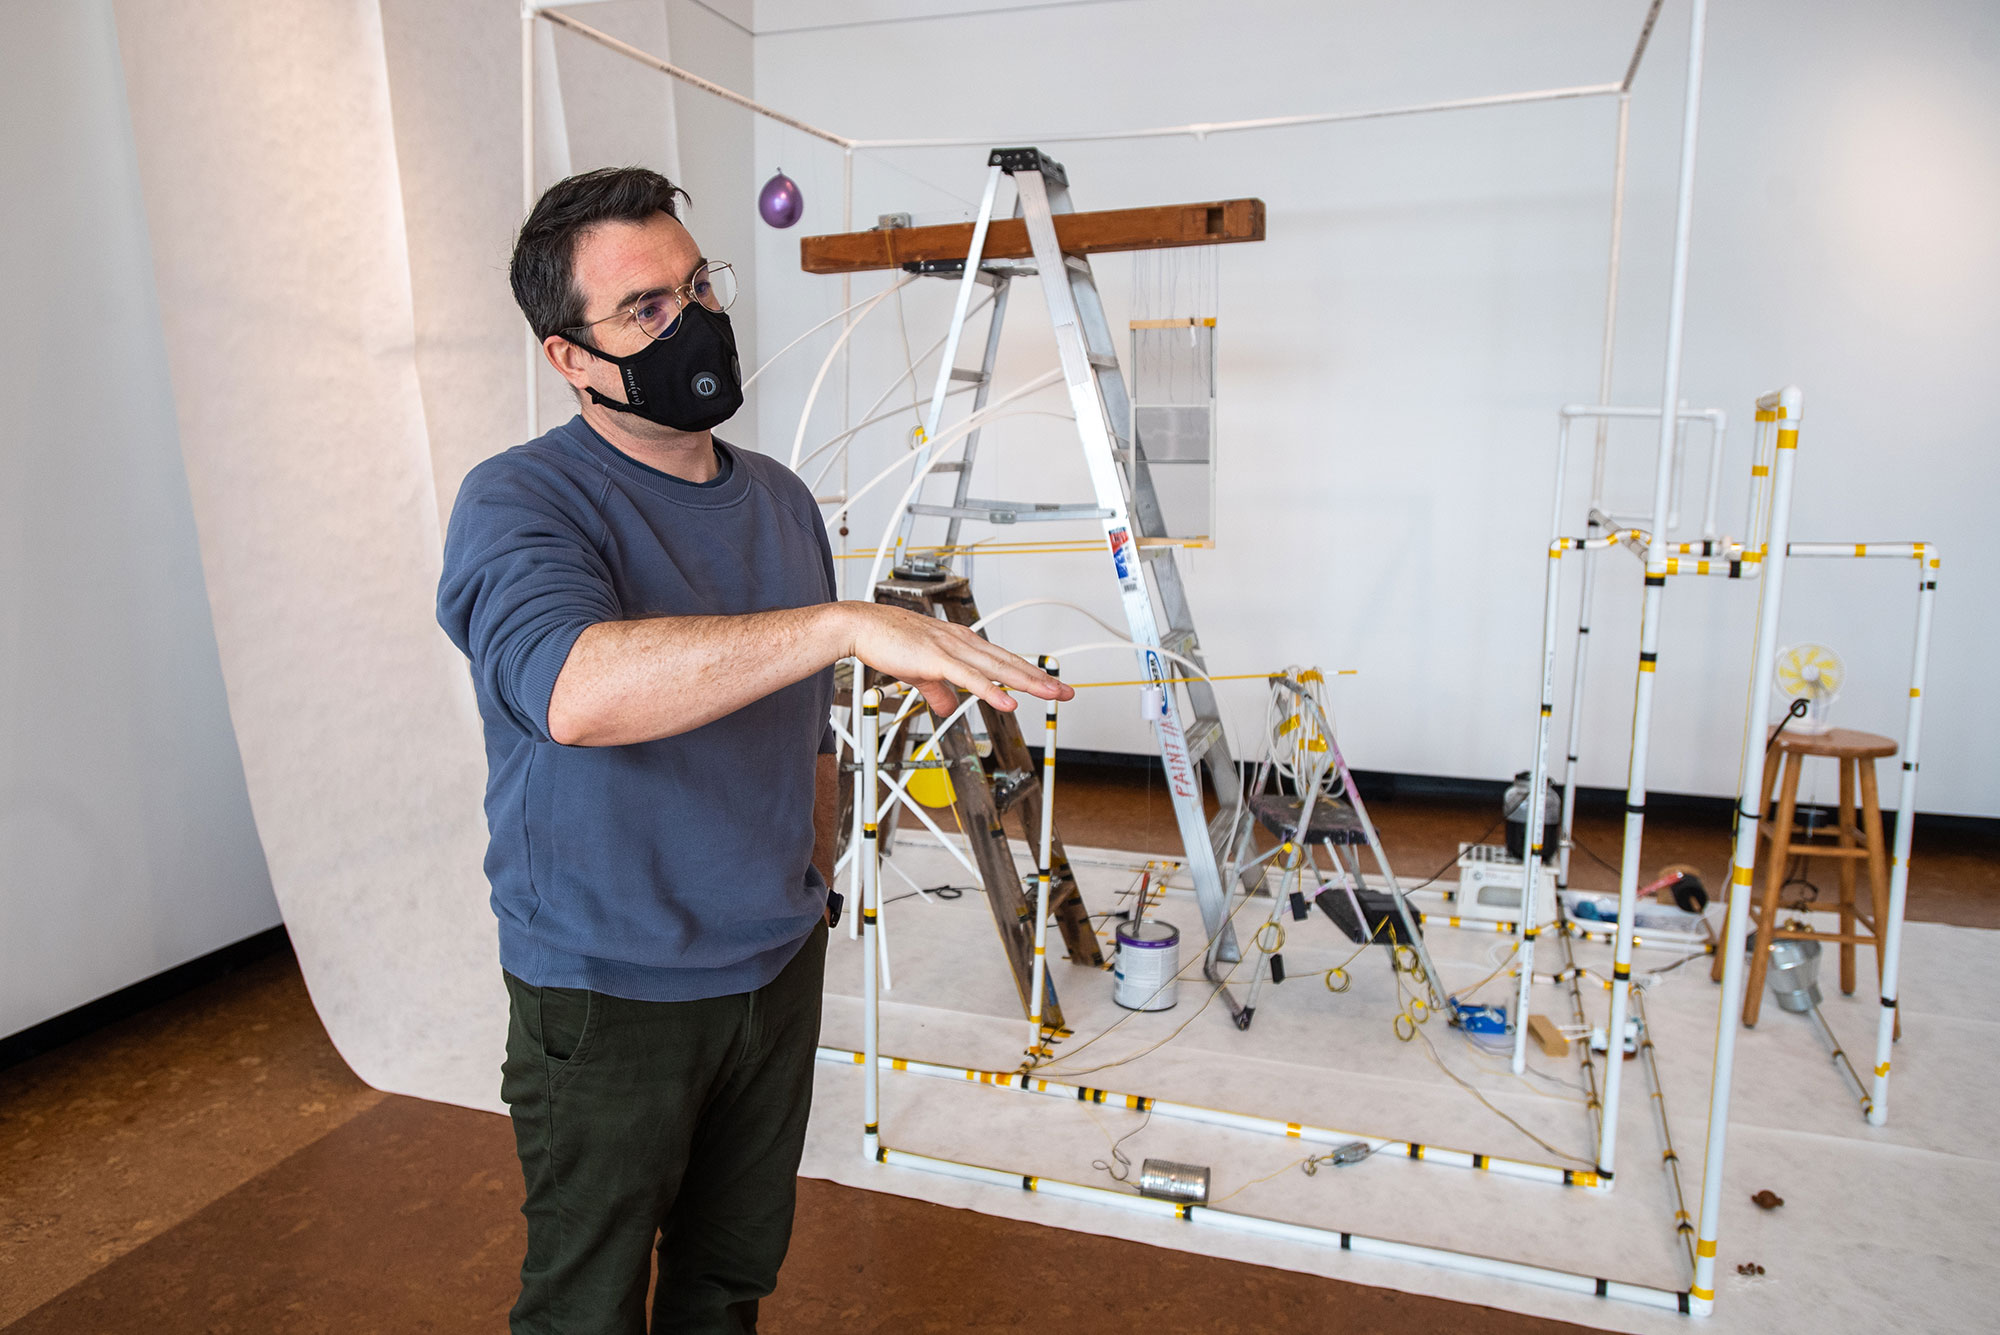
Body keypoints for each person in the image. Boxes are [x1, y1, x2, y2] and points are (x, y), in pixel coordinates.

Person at [437, 167, 1068, 1335]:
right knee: (585, 1307)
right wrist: (841, 624)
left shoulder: (777, 501)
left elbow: (805, 721)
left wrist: (809, 876)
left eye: (698, 287)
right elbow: (571, 691)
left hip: (774, 967)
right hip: (608, 990)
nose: (693, 325)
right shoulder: (520, 502)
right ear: (568, 359)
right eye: (644, 312)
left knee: (726, 1286)